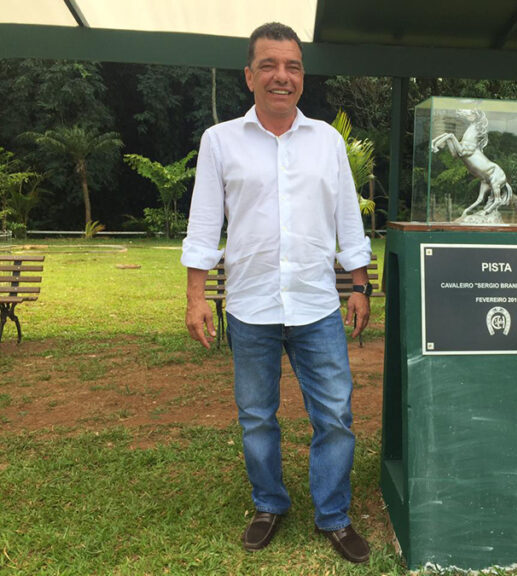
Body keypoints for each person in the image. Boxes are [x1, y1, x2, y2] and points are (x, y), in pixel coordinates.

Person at [181, 22, 373, 564]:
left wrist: (360, 285)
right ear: (249, 75)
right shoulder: (220, 142)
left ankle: (333, 515)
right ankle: (269, 503)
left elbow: (347, 224)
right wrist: (197, 298)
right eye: (268, 65)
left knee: (335, 414)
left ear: (302, 78)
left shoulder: (328, 143)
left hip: (316, 306)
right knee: (257, 415)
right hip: (251, 306)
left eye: (290, 66)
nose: (280, 76)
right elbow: (203, 227)